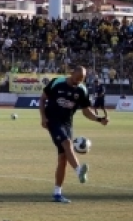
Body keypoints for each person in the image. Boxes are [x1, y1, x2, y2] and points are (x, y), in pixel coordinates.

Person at [40, 66, 108, 204]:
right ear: (72, 73)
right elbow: (42, 99)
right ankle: (78, 171)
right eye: (77, 78)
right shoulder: (56, 82)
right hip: (52, 120)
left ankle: (57, 193)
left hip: (67, 124)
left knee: (63, 159)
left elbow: (86, 111)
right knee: (67, 143)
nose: (79, 81)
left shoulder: (82, 90)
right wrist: (43, 117)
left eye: (82, 79)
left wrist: (99, 119)